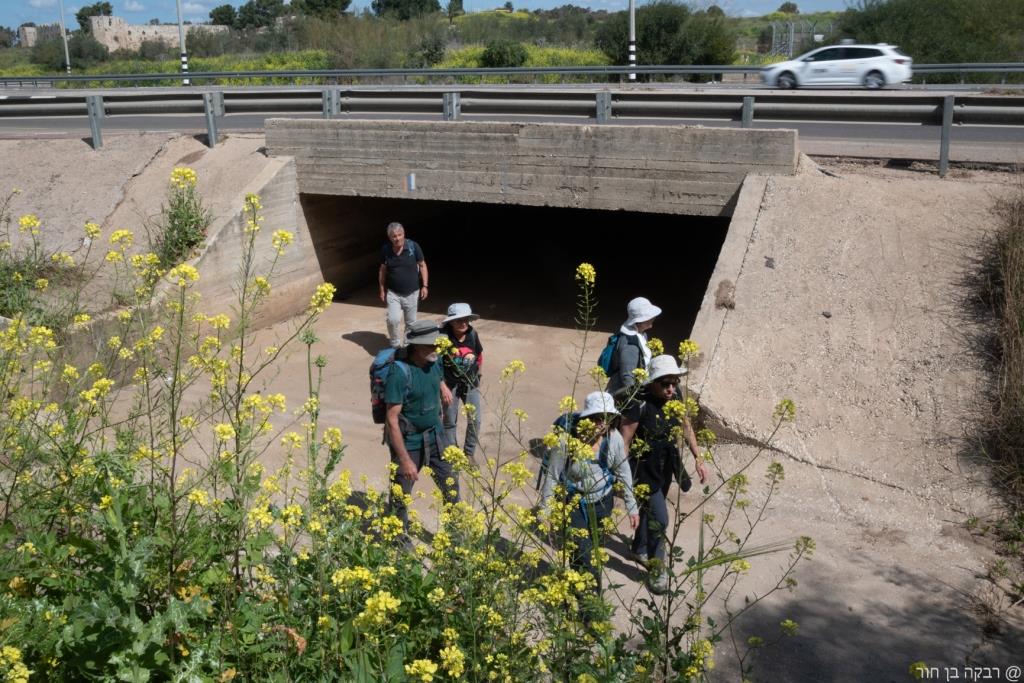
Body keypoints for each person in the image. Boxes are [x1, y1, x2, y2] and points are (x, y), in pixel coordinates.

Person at [540, 391, 639, 595]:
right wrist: (546, 510)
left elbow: (624, 471)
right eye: (596, 418)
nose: (602, 424)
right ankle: (591, 596)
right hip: (574, 502)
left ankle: (580, 589)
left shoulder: (614, 439)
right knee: (582, 551)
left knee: (592, 550)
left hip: (603, 501)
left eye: (607, 418)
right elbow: (552, 475)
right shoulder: (567, 441)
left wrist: (632, 506)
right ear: (586, 418)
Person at [628, 355, 710, 594]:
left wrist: (698, 458)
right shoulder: (639, 403)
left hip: (665, 465)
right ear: (652, 383)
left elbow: (685, 425)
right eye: (665, 384)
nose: (671, 388)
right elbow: (624, 442)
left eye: (674, 382)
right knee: (661, 520)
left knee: (650, 510)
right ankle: (656, 570)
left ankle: (639, 548)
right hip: (643, 468)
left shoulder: (676, 396)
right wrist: (622, 477)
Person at [385, 319, 457, 536]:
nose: (436, 349)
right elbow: (391, 420)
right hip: (410, 443)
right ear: (415, 346)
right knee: (401, 496)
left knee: (451, 488)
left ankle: (455, 538)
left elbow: (437, 376)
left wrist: (442, 386)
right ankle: (399, 539)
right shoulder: (399, 373)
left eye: (437, 344)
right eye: (430, 345)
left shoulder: (434, 360)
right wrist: (405, 460)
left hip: (436, 438)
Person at [605, 296, 662, 452]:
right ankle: (619, 468)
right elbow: (627, 378)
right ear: (638, 320)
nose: (652, 321)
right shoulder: (630, 345)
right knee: (624, 436)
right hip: (627, 395)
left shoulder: (640, 334)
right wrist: (635, 402)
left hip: (635, 392)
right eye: (649, 318)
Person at [440, 303, 484, 460]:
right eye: (459, 320)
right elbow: (434, 365)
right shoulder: (442, 338)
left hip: (470, 384)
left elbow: (478, 356)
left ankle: (469, 453)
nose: (463, 323)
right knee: (450, 421)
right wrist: (443, 387)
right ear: (451, 321)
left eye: (466, 319)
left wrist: (477, 376)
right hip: (449, 386)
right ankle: (453, 454)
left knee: (475, 420)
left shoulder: (472, 334)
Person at [378, 222, 429, 348]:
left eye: (399, 235)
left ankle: (407, 345)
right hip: (393, 293)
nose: (397, 238)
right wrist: (381, 289)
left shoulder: (413, 247)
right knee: (393, 319)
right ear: (390, 238)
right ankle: (395, 344)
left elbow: (422, 265)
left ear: (404, 233)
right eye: (394, 236)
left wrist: (425, 285)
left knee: (411, 323)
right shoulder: (386, 250)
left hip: (412, 292)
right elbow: (382, 270)